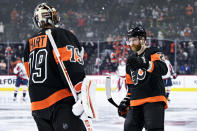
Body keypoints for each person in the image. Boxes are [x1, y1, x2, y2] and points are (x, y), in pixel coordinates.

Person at [23, 3, 87, 131]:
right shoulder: (60, 34)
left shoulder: (29, 42)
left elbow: (29, 72)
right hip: (59, 102)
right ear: (50, 17)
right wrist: (80, 91)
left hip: (37, 105)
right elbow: (69, 64)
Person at [118, 25, 168, 131]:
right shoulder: (131, 60)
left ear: (143, 39)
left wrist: (145, 63)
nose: (131, 43)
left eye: (134, 40)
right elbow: (131, 85)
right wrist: (126, 101)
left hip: (153, 99)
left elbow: (163, 69)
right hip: (135, 102)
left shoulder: (153, 52)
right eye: (130, 41)